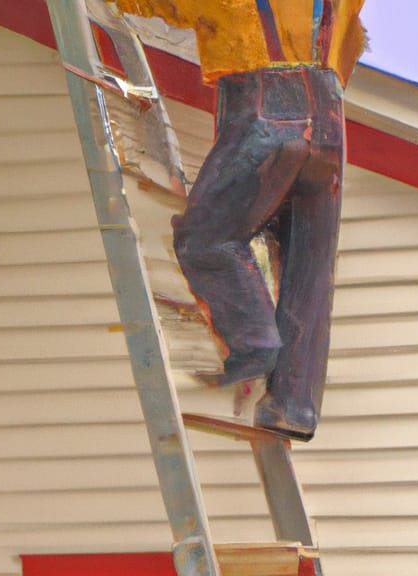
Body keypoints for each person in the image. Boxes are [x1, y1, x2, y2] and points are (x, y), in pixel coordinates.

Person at [108, 0, 366, 441]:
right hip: (329, 119)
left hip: (267, 105)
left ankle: (253, 340)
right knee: (309, 271)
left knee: (204, 239)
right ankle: (293, 405)